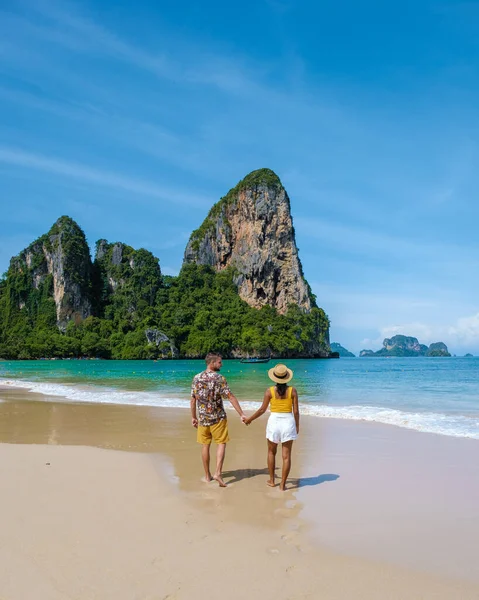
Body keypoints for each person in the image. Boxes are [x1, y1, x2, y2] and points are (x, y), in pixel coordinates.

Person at [191, 352, 247, 487]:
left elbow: (193, 400)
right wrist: (241, 414)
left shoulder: (196, 378)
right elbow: (230, 397)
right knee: (221, 443)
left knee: (205, 445)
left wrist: (193, 416)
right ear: (212, 363)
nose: (221, 364)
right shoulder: (219, 378)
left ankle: (207, 476)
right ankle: (217, 473)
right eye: (219, 362)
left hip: (203, 418)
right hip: (218, 418)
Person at [245, 363, 299, 491]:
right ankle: (283, 485)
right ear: (286, 377)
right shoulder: (293, 391)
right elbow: (296, 412)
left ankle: (272, 480)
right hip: (288, 422)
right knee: (286, 456)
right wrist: (297, 425)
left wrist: (249, 419)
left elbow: (262, 409)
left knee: (271, 452)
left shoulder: (269, 391)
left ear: (274, 377)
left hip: (274, 422)